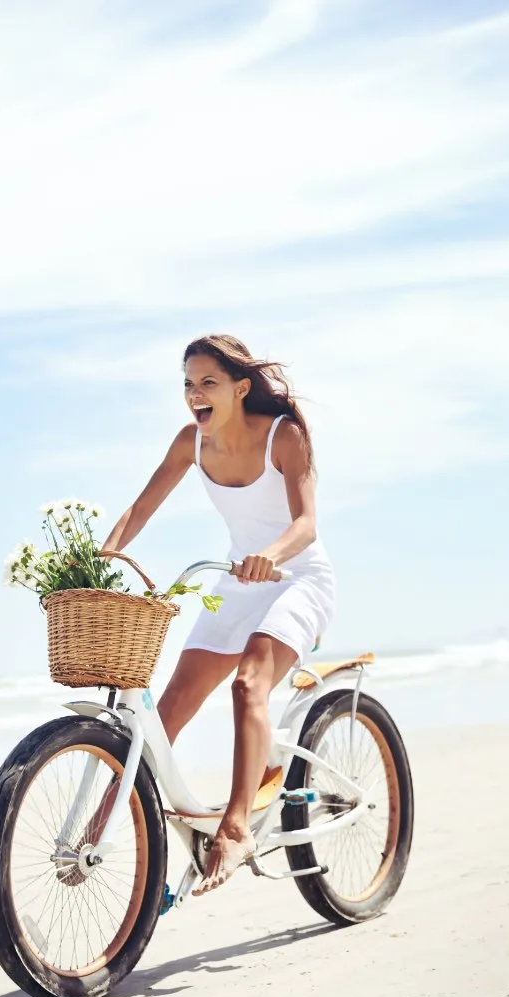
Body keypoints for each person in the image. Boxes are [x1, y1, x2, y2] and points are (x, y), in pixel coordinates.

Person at [102, 334, 335, 893]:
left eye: (207, 382)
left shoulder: (284, 436)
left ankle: (236, 828)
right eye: (187, 384)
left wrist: (270, 555)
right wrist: (103, 557)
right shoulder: (192, 441)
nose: (194, 394)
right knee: (171, 704)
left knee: (249, 683)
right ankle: (103, 820)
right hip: (236, 583)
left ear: (240, 388)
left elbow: (305, 525)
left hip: (297, 577)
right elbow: (140, 507)